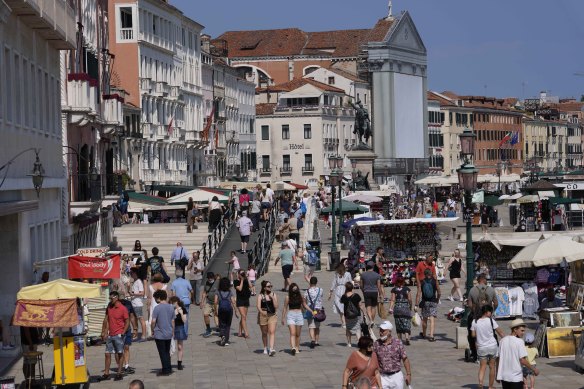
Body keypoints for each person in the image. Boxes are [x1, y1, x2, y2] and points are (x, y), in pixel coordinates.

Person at [497, 319, 539, 389]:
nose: (523, 333)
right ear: (515, 329)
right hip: (515, 377)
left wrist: (497, 375)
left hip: (504, 377)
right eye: (522, 330)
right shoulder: (519, 341)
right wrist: (534, 369)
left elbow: (498, 359)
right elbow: (522, 360)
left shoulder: (502, 341)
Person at [471, 305, 505, 389]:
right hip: (492, 346)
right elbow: (500, 332)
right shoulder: (491, 321)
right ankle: (490, 386)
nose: (491, 314)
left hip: (481, 347)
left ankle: (480, 383)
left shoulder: (475, 321)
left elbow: (473, 335)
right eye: (491, 312)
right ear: (487, 312)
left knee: (482, 367)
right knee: (492, 366)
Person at [467, 273, 498, 362]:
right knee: (492, 333)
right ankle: (493, 352)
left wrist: (474, 311)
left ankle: (475, 354)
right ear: (484, 280)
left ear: (478, 280)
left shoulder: (472, 290)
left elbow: (469, 305)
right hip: (487, 316)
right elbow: (496, 303)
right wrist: (491, 312)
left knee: (472, 336)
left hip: (475, 317)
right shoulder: (491, 290)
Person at [373, 321, 412, 389]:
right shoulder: (376, 344)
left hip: (396, 376)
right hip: (383, 376)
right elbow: (373, 360)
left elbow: (405, 358)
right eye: (380, 330)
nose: (380, 333)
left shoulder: (397, 343)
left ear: (389, 331)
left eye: (383, 331)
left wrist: (408, 374)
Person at [101, 291, 129, 381]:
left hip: (119, 334)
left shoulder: (123, 308)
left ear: (116, 297)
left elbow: (127, 321)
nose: (110, 300)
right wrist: (104, 331)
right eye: (109, 298)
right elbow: (106, 319)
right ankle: (106, 373)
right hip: (110, 334)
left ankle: (119, 373)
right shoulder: (109, 307)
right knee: (107, 354)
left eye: (111, 298)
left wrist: (123, 332)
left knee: (120, 353)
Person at [281, 283, 310, 355]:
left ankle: (297, 347)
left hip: (299, 315)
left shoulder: (300, 296)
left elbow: (305, 305)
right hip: (291, 315)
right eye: (293, 289)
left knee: (298, 334)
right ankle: (293, 347)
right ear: (291, 289)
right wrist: (282, 318)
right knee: (292, 333)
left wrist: (312, 311)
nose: (295, 290)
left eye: (296, 289)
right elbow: (285, 308)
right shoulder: (288, 297)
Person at [151, 289, 174, 376]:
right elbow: (172, 321)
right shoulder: (171, 307)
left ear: (159, 298)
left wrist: (152, 330)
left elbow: (153, 321)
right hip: (169, 333)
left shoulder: (157, 308)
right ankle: (169, 367)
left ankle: (165, 370)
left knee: (162, 352)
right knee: (167, 352)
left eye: (156, 298)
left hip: (159, 334)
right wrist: (172, 331)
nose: (156, 300)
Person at [415, 268, 440, 341]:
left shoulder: (422, 282)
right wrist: (437, 299)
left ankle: (424, 334)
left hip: (425, 302)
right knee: (432, 319)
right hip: (433, 302)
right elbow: (439, 292)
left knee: (424, 319)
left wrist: (416, 304)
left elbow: (418, 294)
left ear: (425, 274)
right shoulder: (435, 281)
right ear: (431, 273)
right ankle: (431, 336)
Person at [388, 276, 412, 345]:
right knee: (406, 322)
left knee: (398, 323)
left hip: (397, 308)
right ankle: (407, 337)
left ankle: (399, 340)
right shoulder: (407, 289)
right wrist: (410, 306)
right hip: (405, 308)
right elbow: (410, 299)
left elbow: (392, 300)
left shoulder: (394, 290)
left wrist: (390, 308)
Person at [257, 280, 279, 356]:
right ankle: (265, 347)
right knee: (264, 333)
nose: (270, 287)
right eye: (268, 286)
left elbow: (276, 306)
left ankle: (271, 349)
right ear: (264, 287)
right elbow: (258, 306)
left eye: (271, 286)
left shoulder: (273, 294)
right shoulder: (260, 295)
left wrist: (273, 298)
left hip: (272, 315)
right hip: (263, 315)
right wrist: (261, 312)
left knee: (272, 332)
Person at [214, 277, 238, 347]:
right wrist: (236, 311)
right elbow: (233, 302)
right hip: (229, 310)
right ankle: (226, 340)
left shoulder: (217, 292)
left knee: (221, 324)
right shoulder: (230, 292)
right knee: (228, 325)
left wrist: (215, 310)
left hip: (221, 310)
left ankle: (222, 335)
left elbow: (215, 302)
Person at [341, 282, 364, 347]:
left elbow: (341, 301)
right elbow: (360, 305)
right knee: (358, 329)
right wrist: (364, 312)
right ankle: (359, 342)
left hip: (347, 315)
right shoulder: (356, 295)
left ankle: (349, 343)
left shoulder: (344, 296)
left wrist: (345, 293)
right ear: (352, 288)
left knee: (348, 328)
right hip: (356, 314)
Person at [329, 263, 353, 328]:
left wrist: (331, 292)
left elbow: (334, 283)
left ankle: (344, 322)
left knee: (342, 307)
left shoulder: (343, 274)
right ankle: (344, 322)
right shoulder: (342, 274)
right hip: (344, 290)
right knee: (342, 307)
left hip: (340, 290)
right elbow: (350, 282)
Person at [169, 269, 193, 333]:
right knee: (186, 317)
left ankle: (179, 331)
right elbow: (192, 291)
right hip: (186, 301)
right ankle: (185, 332)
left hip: (178, 303)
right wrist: (191, 298)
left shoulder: (174, 282)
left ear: (175, 274)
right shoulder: (186, 281)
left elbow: (173, 294)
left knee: (177, 317)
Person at [168, 296, 187, 370]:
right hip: (171, 328)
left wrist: (181, 313)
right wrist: (174, 314)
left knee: (180, 347)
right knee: (169, 347)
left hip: (179, 328)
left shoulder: (183, 309)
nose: (172, 304)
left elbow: (184, 321)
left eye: (173, 303)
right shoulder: (170, 310)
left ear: (176, 302)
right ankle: (168, 363)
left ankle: (179, 363)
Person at [304, 276, 323, 348]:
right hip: (318, 310)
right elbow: (321, 298)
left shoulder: (307, 291)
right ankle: (317, 341)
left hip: (310, 310)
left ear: (310, 282)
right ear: (316, 282)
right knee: (317, 326)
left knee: (311, 326)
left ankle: (312, 339)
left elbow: (304, 300)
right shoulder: (320, 290)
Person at [233, 270, 252, 338]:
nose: (242, 275)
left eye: (243, 273)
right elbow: (240, 289)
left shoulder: (246, 280)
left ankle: (240, 332)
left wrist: (248, 278)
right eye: (241, 273)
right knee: (243, 316)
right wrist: (241, 280)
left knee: (243, 317)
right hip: (240, 300)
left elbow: (250, 286)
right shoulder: (236, 281)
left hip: (246, 300)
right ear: (238, 274)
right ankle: (246, 333)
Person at [200, 272, 219, 337]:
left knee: (217, 315)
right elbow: (204, 292)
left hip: (217, 302)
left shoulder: (218, 283)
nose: (210, 279)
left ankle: (219, 327)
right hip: (209, 302)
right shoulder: (207, 283)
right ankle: (208, 329)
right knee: (205, 314)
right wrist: (202, 302)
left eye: (211, 278)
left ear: (214, 277)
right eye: (209, 278)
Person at [129, 268, 147, 340]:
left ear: (135, 273)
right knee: (135, 319)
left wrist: (133, 294)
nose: (131, 274)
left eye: (131, 273)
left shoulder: (139, 281)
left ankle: (143, 335)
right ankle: (136, 334)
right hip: (134, 302)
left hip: (137, 303)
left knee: (141, 318)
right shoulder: (135, 281)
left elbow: (142, 293)